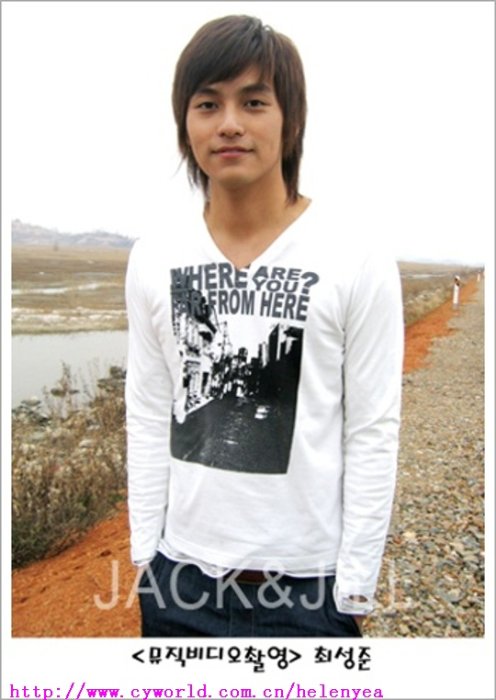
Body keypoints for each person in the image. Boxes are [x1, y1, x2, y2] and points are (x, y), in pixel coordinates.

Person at [125, 14, 404, 637]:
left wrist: (354, 585)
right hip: (179, 580)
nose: (229, 123)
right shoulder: (153, 257)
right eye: (208, 104)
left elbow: (372, 428)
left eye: (254, 102)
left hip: (309, 588)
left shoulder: (354, 256)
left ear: (291, 120)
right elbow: (147, 410)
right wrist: (146, 555)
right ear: (184, 124)